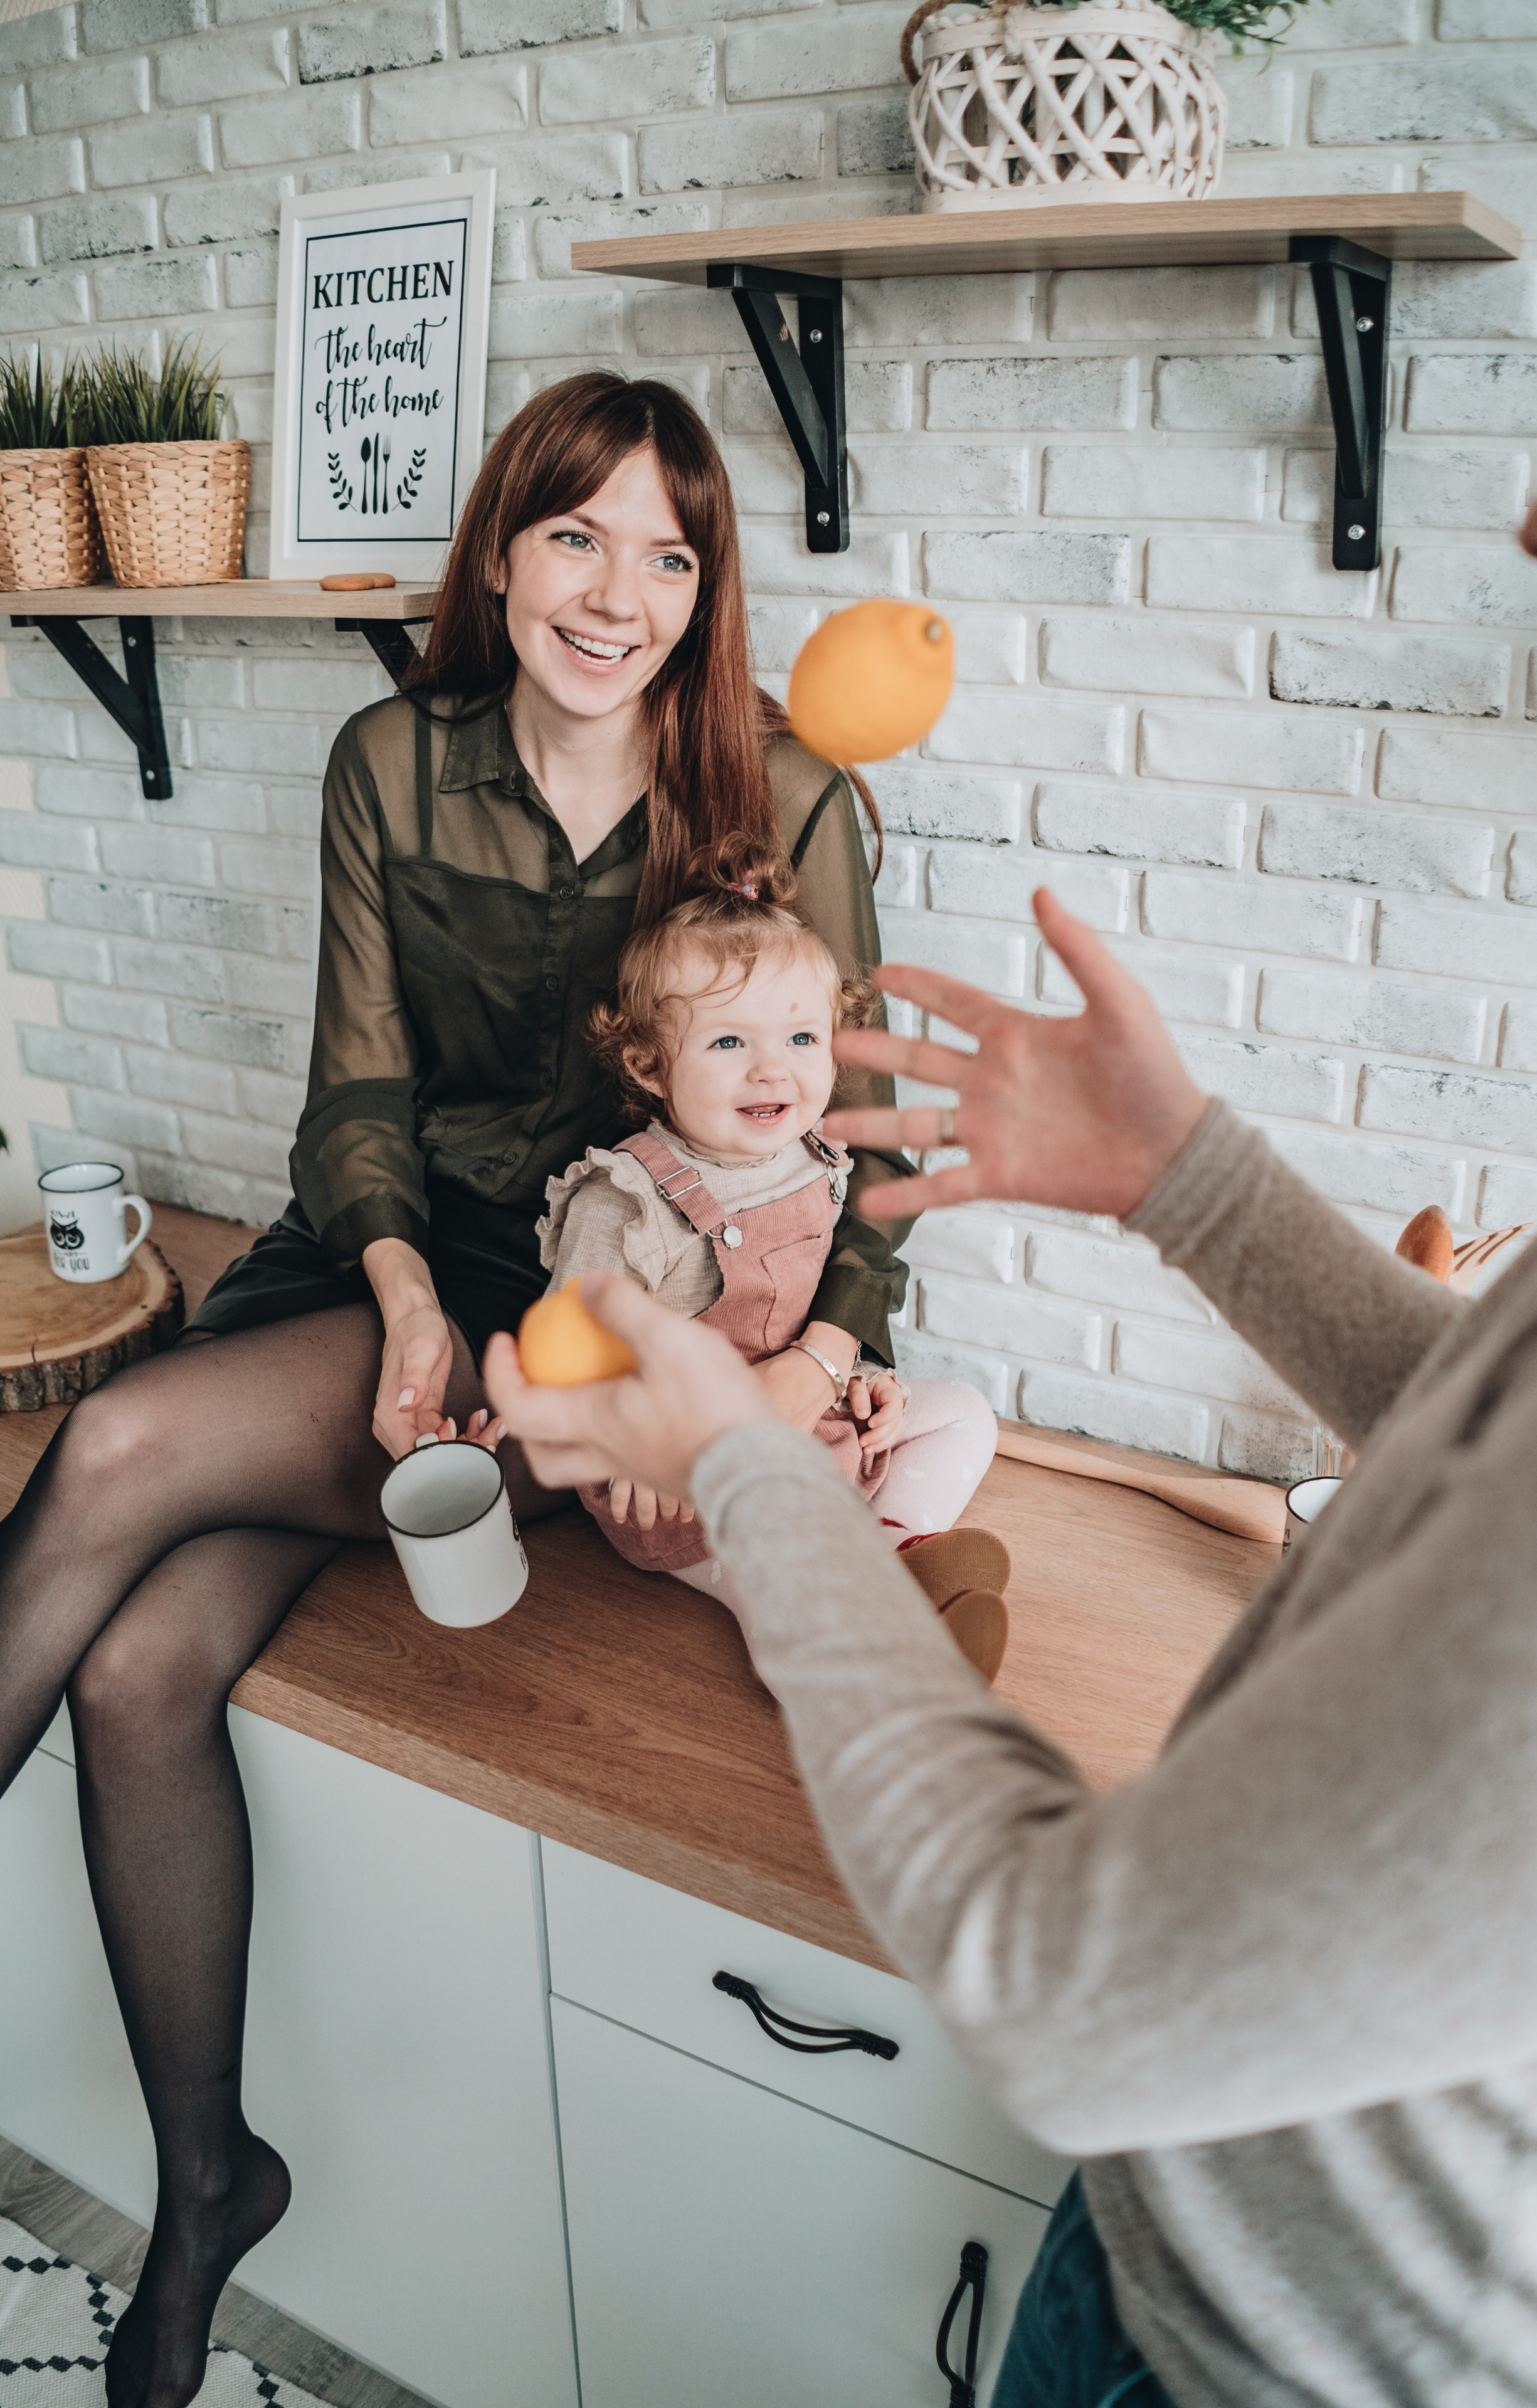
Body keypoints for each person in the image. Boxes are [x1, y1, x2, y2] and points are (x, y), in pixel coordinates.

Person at [482, 337, 1537, 2406]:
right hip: (1203, 2236)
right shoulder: (604, 1125)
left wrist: (765, 1460)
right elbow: (1520, 1434)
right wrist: (1191, 1181)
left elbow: (1056, 1992)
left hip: (1306, 2357)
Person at [0, 371, 914, 2408]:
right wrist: (402, 1287)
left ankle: (208, 2199)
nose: (619, 591)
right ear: (501, 548)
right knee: (143, 1671)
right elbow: (358, 1094)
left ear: (708, 582)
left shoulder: (793, 805)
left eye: (668, 550)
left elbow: (865, 1164)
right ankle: (208, 2188)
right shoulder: (386, 763)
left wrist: (807, 1374)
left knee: (124, 1441)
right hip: (397, 1270)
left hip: (609, 1328)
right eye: (576, 533)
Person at [541, 842, 1006, 1674]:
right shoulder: (628, 1198)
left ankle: (901, 1557)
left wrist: (861, 1376)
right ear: (650, 1064)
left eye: (800, 1036)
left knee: (964, 1411)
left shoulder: (816, 1155)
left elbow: (799, 1308)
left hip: (796, 1416)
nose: (772, 1068)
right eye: (727, 1043)